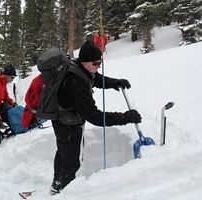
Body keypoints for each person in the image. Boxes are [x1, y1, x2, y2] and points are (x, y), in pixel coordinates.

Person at [50, 41, 142, 195]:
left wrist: (114, 83)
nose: (98, 66)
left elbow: (95, 78)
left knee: (63, 153)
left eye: (100, 62)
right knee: (71, 164)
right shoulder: (76, 82)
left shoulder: (79, 67)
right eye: (96, 63)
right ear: (85, 60)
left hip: (63, 119)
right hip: (67, 125)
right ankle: (65, 194)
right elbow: (95, 117)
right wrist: (124, 117)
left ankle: (56, 186)